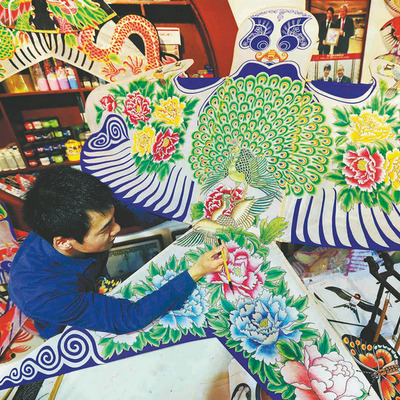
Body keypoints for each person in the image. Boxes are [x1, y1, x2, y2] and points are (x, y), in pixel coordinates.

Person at [9, 165, 226, 339]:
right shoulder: (40, 293)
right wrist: (195, 272)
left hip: (92, 290)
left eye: (113, 218)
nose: (117, 228)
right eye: (106, 229)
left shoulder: (85, 216)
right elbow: (130, 317)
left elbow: (140, 213)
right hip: (68, 329)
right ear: (65, 243)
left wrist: (196, 207)